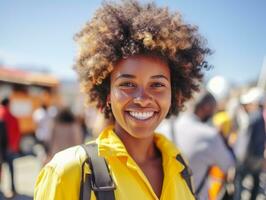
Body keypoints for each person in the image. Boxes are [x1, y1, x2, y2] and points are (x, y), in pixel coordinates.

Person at [34, 1, 211, 199]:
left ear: (174, 92)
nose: (143, 99)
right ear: (108, 94)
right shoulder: (68, 172)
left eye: (157, 85)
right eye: (127, 84)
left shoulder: (181, 165)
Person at [173, 92, 235, 200]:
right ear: (207, 107)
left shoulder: (165, 127)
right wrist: (223, 139)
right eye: (214, 110)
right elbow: (228, 163)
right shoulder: (210, 135)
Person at [233, 87, 266, 200]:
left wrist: (239, 158)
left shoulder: (253, 117)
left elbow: (246, 139)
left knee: (238, 180)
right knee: (256, 181)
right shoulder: (261, 116)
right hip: (258, 156)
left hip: (248, 157)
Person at [0, 97, 21, 196]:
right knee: (11, 168)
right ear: (8, 104)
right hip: (9, 147)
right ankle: (12, 188)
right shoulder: (12, 117)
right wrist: (14, 146)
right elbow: (17, 132)